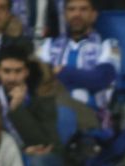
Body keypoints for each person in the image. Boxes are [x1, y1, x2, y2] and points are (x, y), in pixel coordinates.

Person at [36, 0, 119, 129]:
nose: (77, 14)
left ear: (93, 15)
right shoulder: (48, 45)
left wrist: (62, 72)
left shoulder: (108, 46)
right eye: (72, 9)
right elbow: (38, 80)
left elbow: (101, 78)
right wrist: (81, 77)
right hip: (49, 111)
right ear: (64, 14)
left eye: (83, 9)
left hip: (91, 114)